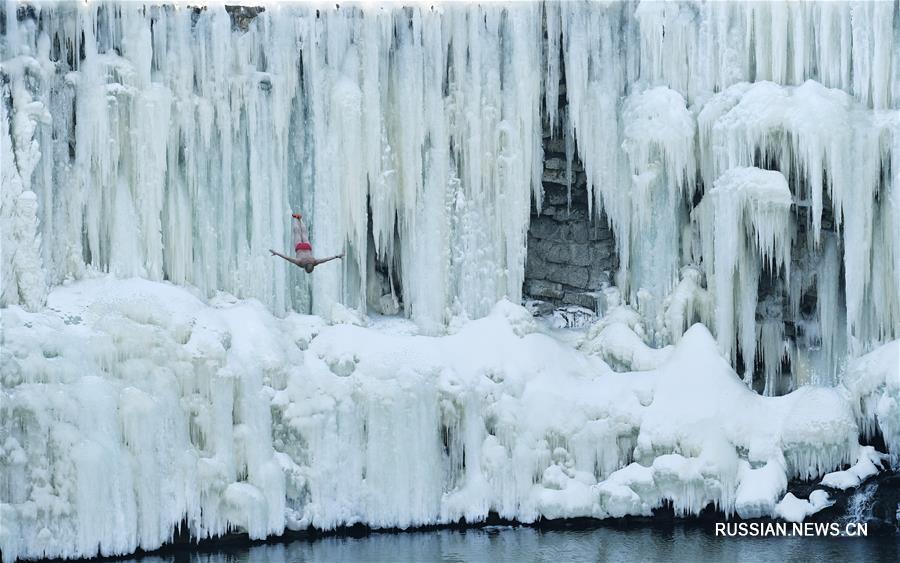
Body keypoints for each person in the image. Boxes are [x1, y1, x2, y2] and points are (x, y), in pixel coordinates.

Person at [270, 212, 344, 273]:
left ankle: (300, 219)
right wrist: (276, 253)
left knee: (304, 233)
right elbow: (288, 258)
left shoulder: (314, 261)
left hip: (307, 246)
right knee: (297, 232)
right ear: (305, 268)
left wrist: (336, 256)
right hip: (299, 247)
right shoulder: (300, 262)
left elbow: (325, 259)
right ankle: (296, 218)